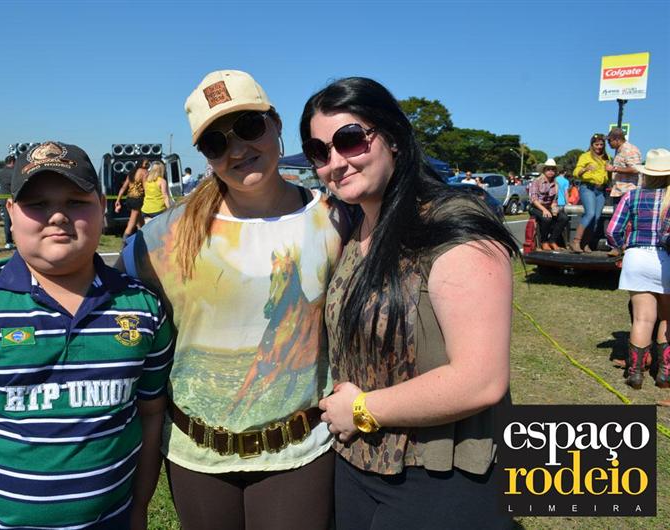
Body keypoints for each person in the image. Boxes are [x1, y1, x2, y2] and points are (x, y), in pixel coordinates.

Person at [0, 141, 173, 529]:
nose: (57, 215)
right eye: (37, 204)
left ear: (101, 206)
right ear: (10, 212)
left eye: (76, 202)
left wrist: (139, 509)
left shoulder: (143, 308)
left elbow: (151, 415)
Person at [120, 69, 348, 529]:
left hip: (299, 455)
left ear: (275, 123)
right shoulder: (161, 238)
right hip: (196, 457)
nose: (238, 149)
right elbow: (104, 303)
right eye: (216, 143)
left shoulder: (335, 220)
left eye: (248, 126)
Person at [300, 77, 518, 529]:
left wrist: (362, 410)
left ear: (394, 137)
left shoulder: (454, 226)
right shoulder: (356, 228)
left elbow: (481, 380)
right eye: (319, 151)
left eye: (350, 139)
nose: (335, 162)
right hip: (356, 464)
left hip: (440, 474)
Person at [606, 148, 670, 391]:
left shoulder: (631, 196)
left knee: (643, 318)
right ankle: (664, 374)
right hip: (666, 259)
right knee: (667, 318)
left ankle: (635, 373)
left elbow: (612, 230)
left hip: (636, 257)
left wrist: (621, 247)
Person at [571, 133, 610, 253]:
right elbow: (575, 172)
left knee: (597, 218)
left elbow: (608, 175)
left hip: (601, 190)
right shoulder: (585, 156)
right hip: (588, 188)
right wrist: (585, 169)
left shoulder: (606, 157)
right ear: (592, 144)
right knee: (590, 214)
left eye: (601, 144)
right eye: (596, 144)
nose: (599, 147)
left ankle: (585, 243)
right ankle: (576, 241)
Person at [529, 158, 569, 250]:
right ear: (544, 170)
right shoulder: (536, 181)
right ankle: (544, 241)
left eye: (553, 170)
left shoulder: (556, 184)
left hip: (548, 206)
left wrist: (554, 207)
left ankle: (552, 240)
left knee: (564, 218)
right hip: (536, 207)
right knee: (547, 218)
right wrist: (544, 210)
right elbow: (534, 199)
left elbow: (554, 200)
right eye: (548, 169)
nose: (551, 171)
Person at [114, 159, 148, 239]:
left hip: (130, 199)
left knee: (140, 223)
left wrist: (118, 200)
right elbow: (146, 187)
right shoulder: (144, 172)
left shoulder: (131, 173)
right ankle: (124, 243)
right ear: (141, 164)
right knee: (131, 224)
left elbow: (123, 187)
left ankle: (142, 240)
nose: (148, 165)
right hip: (138, 199)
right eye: (146, 164)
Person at [606, 127, 643, 201]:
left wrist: (614, 169)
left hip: (628, 193)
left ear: (617, 140)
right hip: (620, 191)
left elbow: (635, 169)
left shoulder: (630, 150)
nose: (608, 143)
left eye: (609, 140)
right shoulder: (620, 150)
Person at [0, 154, 16, 249]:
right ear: (12, 162)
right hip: (13, 198)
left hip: (3, 198)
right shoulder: (15, 172)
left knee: (7, 221)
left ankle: (8, 241)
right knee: (16, 221)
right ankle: (16, 240)